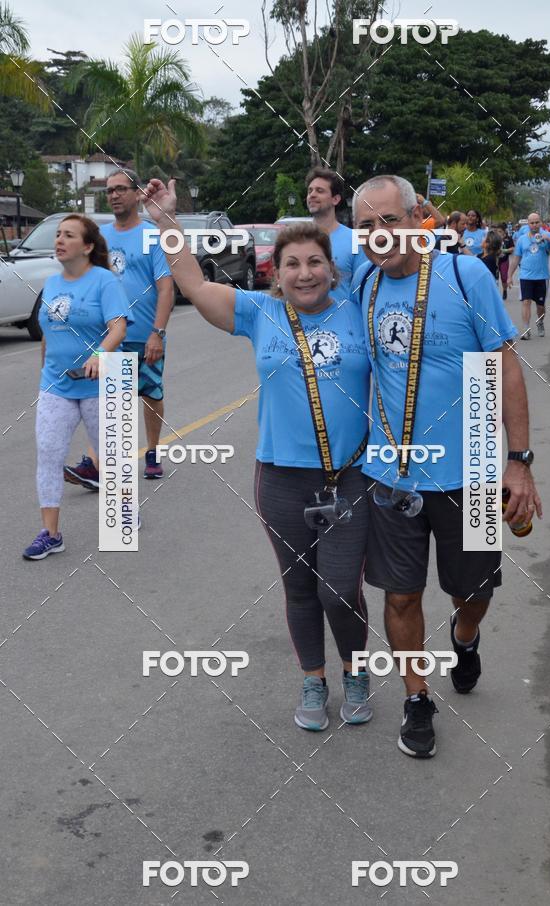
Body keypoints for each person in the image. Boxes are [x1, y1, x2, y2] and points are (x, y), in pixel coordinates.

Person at [144, 178, 373, 732]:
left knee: (339, 589)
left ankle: (357, 671)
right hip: (280, 478)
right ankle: (314, 679)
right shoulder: (257, 312)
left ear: (332, 268)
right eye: (291, 263)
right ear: (276, 272)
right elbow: (195, 284)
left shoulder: (358, 308)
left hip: (348, 478)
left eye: (315, 262)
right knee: (299, 587)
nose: (304, 273)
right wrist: (168, 225)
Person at [352, 175, 542, 758]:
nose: (379, 236)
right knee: (401, 596)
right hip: (390, 475)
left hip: (475, 470)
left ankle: (465, 635)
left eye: (389, 221)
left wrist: (519, 462)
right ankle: (416, 697)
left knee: (474, 589)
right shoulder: (361, 283)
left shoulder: (466, 276)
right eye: (366, 226)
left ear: (418, 220)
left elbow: (503, 367)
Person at [24, 215, 130, 560]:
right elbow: (48, 335)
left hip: (102, 381)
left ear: (86, 247)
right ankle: (50, 534)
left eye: (68, 235)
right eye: (57, 234)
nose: (59, 240)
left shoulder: (104, 281)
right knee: (49, 455)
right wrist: (44, 374)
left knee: (112, 458)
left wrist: (102, 355)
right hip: (56, 384)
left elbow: (118, 328)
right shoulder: (52, 284)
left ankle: (125, 510)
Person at [64, 168, 173, 488]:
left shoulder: (152, 235)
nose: (113, 195)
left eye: (120, 189)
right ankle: (97, 464)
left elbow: (166, 288)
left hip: (145, 333)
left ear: (137, 193)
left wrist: (158, 333)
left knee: (151, 394)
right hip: (112, 336)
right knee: (110, 401)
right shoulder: (100, 237)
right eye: (109, 190)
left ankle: (152, 452)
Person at [305, 166, 368, 302]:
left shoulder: (355, 240)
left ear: (335, 199)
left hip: (344, 321)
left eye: (319, 191)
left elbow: (365, 289)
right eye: (310, 191)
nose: (312, 195)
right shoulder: (298, 239)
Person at [507, 212, 550, 339]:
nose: (534, 225)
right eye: (532, 223)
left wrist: (548, 238)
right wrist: (509, 276)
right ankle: (526, 329)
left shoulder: (546, 235)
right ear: (528, 224)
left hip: (542, 277)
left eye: (537, 222)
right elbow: (516, 259)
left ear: (541, 222)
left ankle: (540, 322)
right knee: (526, 301)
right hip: (525, 276)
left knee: (540, 306)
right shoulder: (522, 239)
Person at [497, 225, 514, 300]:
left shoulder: (508, 239)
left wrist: (504, 250)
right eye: (497, 231)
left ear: (504, 231)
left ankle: (504, 290)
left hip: (504, 260)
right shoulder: (494, 238)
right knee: (495, 278)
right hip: (495, 261)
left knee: (504, 277)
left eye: (500, 231)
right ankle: (495, 293)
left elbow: (513, 248)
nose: (498, 233)